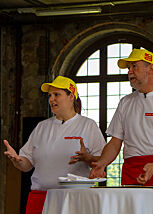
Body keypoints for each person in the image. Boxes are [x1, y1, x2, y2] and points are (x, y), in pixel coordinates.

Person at [3, 76, 106, 214]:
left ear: (71, 96)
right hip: (39, 197)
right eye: (50, 95)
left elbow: (102, 161)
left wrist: (87, 158)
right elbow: (27, 164)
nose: (51, 99)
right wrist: (17, 160)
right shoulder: (41, 127)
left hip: (73, 199)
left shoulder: (88, 125)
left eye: (57, 94)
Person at [90, 48, 153, 187]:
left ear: (150, 68)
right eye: (128, 68)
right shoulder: (125, 102)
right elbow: (115, 143)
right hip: (131, 173)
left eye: (134, 66)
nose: (129, 71)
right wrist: (102, 163)